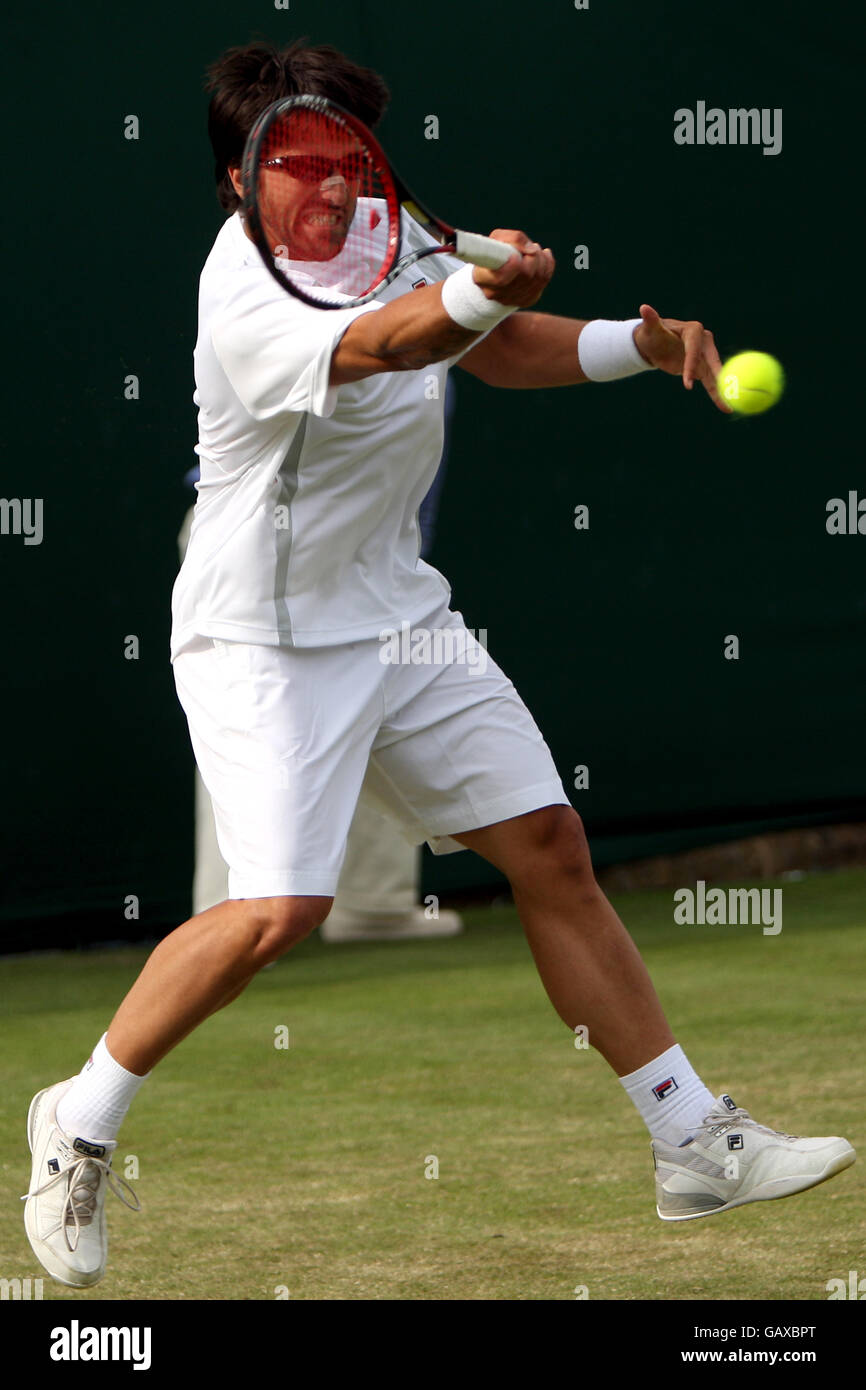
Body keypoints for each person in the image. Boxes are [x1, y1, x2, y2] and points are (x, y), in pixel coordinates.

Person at [23, 39, 854, 1290]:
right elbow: (395, 347)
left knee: (549, 848)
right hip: (264, 640)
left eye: (348, 161)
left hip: (397, 615)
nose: (331, 189)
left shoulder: (391, 229)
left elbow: (485, 347)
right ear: (237, 184)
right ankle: (75, 1119)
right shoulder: (243, 296)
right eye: (297, 167)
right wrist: (484, 289)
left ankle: (692, 1142)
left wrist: (636, 344)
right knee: (275, 912)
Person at [176, 379, 464, 941]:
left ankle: (372, 905)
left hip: (370, 554)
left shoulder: (438, 307)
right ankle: (230, 918)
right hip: (257, 539)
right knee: (253, 729)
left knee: (378, 702)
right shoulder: (307, 301)